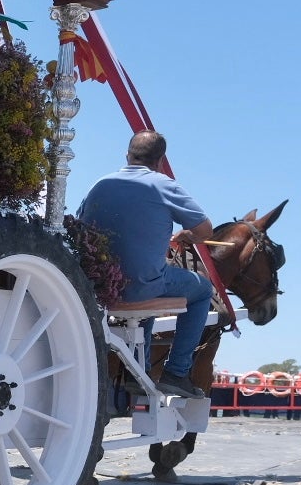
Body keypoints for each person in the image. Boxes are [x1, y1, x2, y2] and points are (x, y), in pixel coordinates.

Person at [78, 130, 214, 399]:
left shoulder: (100, 184)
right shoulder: (165, 185)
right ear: (161, 160)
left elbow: (82, 224)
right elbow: (205, 229)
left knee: (149, 281)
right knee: (203, 290)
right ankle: (176, 372)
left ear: (127, 155)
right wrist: (187, 235)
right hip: (141, 287)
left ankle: (135, 369)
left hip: (101, 287)